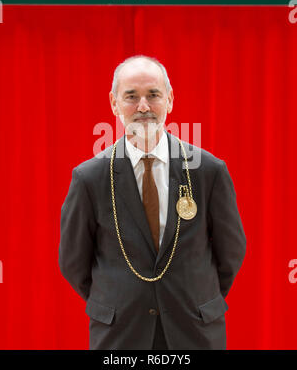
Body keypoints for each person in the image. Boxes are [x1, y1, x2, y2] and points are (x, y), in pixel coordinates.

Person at [59, 55, 246, 350]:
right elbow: (73, 262)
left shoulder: (207, 170)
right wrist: (118, 299)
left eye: (153, 95)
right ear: (114, 103)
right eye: (131, 97)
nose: (143, 107)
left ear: (170, 100)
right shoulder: (89, 178)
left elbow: (231, 251)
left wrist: (197, 295)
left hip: (195, 330)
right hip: (120, 335)